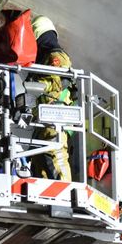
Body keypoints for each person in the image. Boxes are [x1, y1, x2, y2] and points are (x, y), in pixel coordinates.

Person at [29, 15, 74, 181]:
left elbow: (56, 81)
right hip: (44, 116)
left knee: (55, 151)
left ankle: (64, 188)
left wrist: (33, 87)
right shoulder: (44, 59)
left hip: (56, 114)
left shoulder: (56, 56)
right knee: (39, 158)